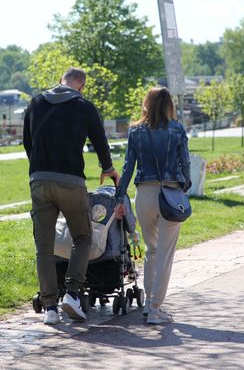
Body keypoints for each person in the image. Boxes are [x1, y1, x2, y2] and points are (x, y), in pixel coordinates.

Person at [23, 67, 120, 325]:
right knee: (83, 237)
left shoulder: (35, 103)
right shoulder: (84, 106)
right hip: (71, 182)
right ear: (82, 86)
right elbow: (100, 141)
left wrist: (39, 169)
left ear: (60, 81)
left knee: (43, 247)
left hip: (39, 181)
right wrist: (108, 169)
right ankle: (73, 293)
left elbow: (27, 142)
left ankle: (50, 308)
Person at [114, 86, 191, 324]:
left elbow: (128, 167)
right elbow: (185, 164)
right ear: (169, 104)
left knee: (152, 250)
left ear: (146, 103)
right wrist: (184, 186)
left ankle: (148, 303)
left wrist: (119, 198)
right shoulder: (177, 129)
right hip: (169, 193)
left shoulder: (135, 131)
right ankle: (155, 309)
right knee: (166, 254)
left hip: (144, 195)